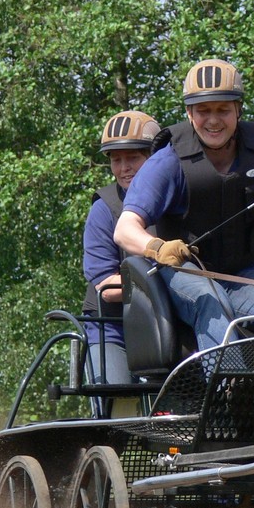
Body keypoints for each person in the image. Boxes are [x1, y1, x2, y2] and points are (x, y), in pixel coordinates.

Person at [114, 58, 254, 353]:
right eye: (203, 111)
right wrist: (157, 248)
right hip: (183, 276)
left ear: (238, 110)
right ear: (189, 112)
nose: (213, 120)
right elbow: (125, 228)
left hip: (243, 274)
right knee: (213, 304)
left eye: (223, 109)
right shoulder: (166, 163)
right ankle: (227, 390)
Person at [82, 109, 161, 383]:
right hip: (114, 327)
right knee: (118, 399)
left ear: (156, 158)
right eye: (117, 160)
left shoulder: (175, 199)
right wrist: (166, 286)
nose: (124, 167)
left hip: (166, 325)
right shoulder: (104, 209)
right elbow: (106, 286)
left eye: (133, 158)